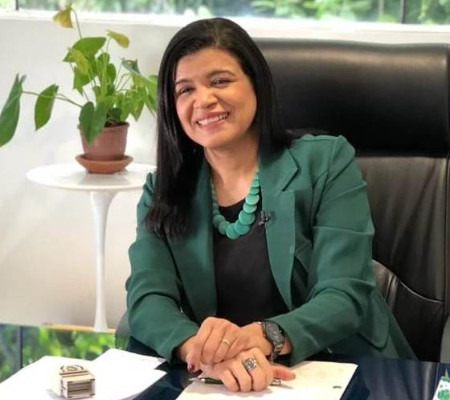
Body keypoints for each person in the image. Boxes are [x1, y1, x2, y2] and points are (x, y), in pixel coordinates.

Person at [125, 17, 415, 392]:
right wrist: (201, 348)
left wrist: (263, 337)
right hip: (226, 380)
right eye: (185, 90)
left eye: (220, 81)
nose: (204, 100)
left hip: (344, 372)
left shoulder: (326, 161)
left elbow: (344, 293)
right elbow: (147, 298)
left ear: (256, 84)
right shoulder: (163, 189)